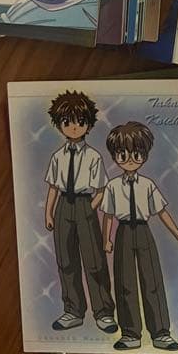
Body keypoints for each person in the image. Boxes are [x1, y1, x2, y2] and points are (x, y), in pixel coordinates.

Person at [101, 122, 178, 351]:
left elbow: (161, 212)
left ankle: (161, 333)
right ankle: (130, 333)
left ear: (144, 155)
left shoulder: (148, 185)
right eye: (122, 154)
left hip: (144, 232)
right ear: (115, 156)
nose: (130, 159)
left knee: (152, 281)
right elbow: (108, 216)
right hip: (123, 233)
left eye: (136, 154)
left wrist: (177, 233)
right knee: (125, 283)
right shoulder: (112, 186)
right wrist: (106, 239)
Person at [44, 91, 117, 333]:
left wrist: (89, 209)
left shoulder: (93, 156)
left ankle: (104, 313)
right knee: (66, 260)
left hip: (86, 205)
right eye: (67, 122)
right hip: (63, 207)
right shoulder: (57, 157)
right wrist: (48, 213)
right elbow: (53, 187)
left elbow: (101, 189)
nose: (74, 127)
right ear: (59, 125)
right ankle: (73, 311)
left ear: (88, 124)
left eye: (80, 121)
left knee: (94, 261)